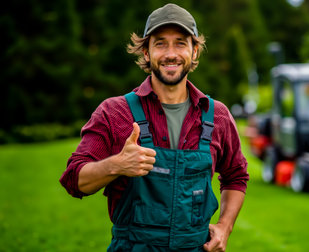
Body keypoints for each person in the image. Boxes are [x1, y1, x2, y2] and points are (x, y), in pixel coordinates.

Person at [60, 3, 249, 251]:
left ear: (194, 52)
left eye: (180, 42)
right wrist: (116, 165)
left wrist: (225, 227)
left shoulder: (218, 116)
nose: (170, 53)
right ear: (146, 53)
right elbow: (74, 180)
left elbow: (236, 175)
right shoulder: (114, 112)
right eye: (160, 43)